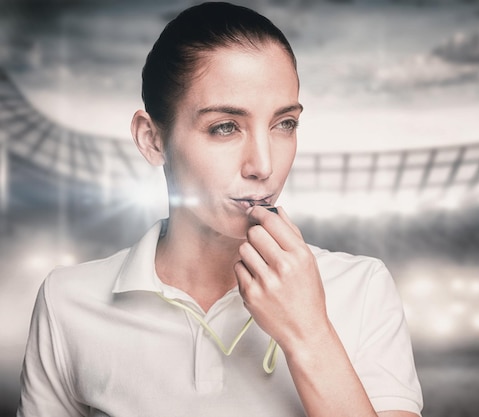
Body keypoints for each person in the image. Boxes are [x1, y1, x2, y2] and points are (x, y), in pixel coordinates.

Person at [17, 2, 423, 416]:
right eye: (225, 127)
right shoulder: (68, 302)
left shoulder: (362, 288)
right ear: (152, 139)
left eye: (284, 124)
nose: (263, 166)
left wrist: (310, 334)